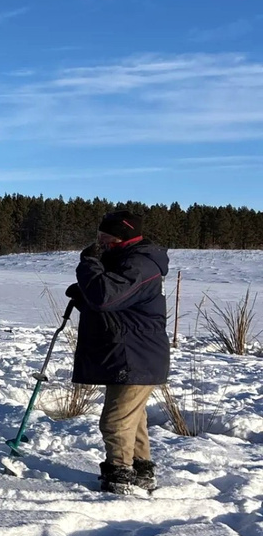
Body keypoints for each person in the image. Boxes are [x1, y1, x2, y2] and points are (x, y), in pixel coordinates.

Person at [65, 209, 169, 494]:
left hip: (137, 355)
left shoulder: (140, 264)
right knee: (131, 421)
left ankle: (120, 476)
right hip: (130, 351)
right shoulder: (123, 260)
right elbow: (110, 301)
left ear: (121, 235)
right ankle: (141, 470)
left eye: (105, 235)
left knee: (115, 421)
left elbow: (106, 296)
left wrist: (88, 266)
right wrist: (84, 292)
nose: (99, 241)